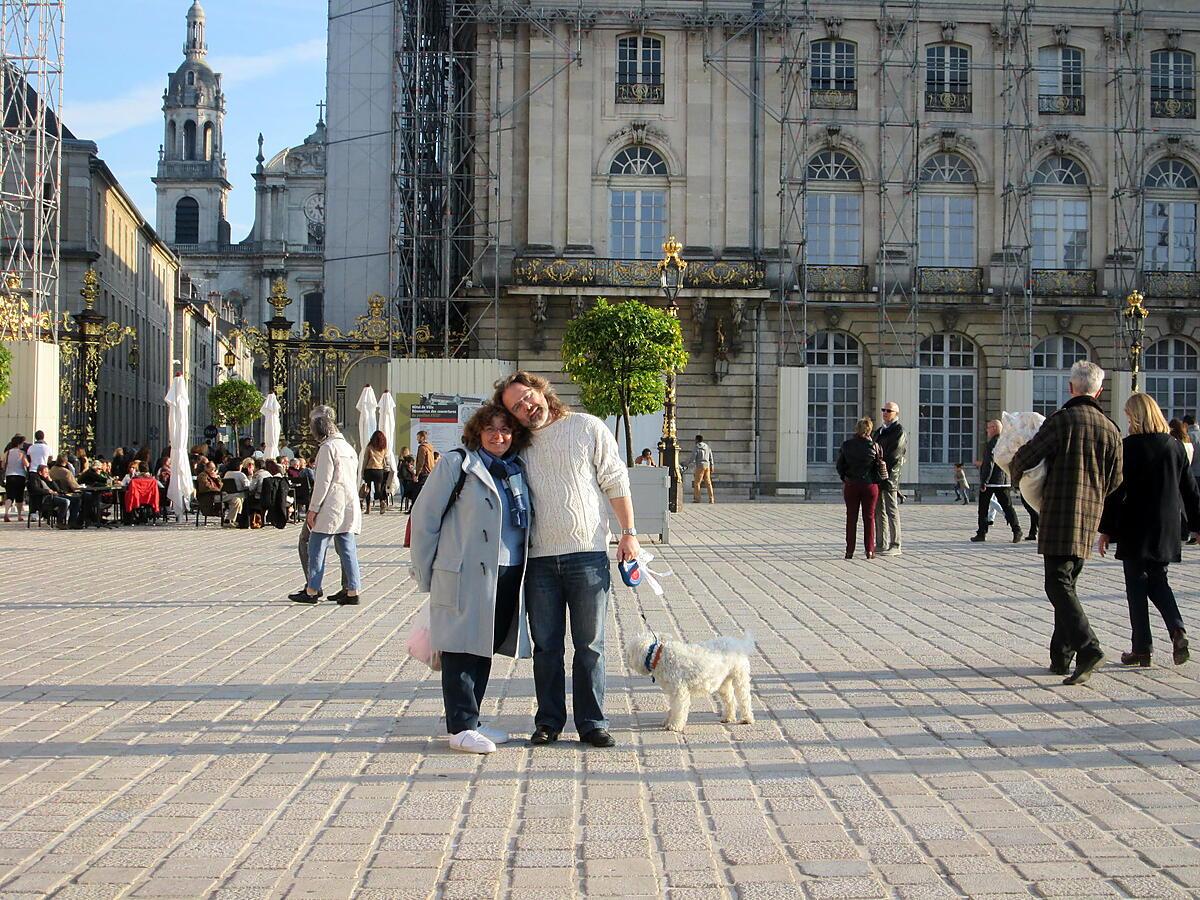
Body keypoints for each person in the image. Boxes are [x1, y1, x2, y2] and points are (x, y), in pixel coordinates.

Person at [496, 371, 637, 749]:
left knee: (590, 645)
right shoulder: (517, 448)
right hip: (539, 561)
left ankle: (592, 722)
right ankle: (549, 722)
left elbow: (615, 480)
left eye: (527, 397)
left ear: (541, 390)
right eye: (516, 407)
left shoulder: (586, 427)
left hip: (588, 555)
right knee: (547, 648)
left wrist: (629, 533)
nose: (527, 407)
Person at [410, 404, 534, 754]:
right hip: (464, 573)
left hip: (507, 571)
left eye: (506, 430)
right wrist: (425, 573)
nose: (499, 436)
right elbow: (424, 518)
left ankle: (473, 719)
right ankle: (460, 726)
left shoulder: (515, 470)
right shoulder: (457, 464)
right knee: (460, 649)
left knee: (482, 647)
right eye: (491, 429)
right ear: (477, 432)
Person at [1010, 360, 1123, 686]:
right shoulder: (1110, 428)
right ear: (1099, 391)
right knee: (1068, 582)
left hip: (1060, 511)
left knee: (1056, 583)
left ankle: (1089, 647)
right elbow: (1116, 480)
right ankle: (1061, 656)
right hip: (1090, 515)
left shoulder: (1063, 421)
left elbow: (1028, 456)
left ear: (1071, 388)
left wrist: (1016, 471)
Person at [1099, 393, 1200, 669]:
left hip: (1135, 525)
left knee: (1136, 585)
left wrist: (1106, 529)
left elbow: (1116, 492)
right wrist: (1197, 525)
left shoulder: (1128, 447)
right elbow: (1190, 490)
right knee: (1158, 579)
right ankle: (1177, 629)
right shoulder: (1175, 446)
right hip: (1167, 525)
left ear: (1135, 417)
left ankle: (1142, 648)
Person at [291, 406, 362, 606]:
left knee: (316, 546)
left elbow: (323, 482)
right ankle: (353, 590)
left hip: (331, 505)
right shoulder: (348, 447)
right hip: (349, 503)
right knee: (348, 548)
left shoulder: (327, 448)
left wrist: (313, 509)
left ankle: (312, 589)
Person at [971, 419, 1024, 543]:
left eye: (989, 427)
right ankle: (1017, 530)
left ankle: (981, 533)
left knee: (983, 508)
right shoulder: (1006, 442)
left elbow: (989, 463)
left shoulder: (992, 443)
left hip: (991, 481)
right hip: (1004, 480)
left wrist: (984, 480)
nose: (987, 430)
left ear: (994, 428)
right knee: (1008, 507)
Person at [836, 417, 881, 560]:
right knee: (869, 518)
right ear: (870, 430)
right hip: (869, 485)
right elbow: (878, 467)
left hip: (852, 485)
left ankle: (849, 551)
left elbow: (840, 466)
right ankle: (869, 550)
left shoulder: (847, 445)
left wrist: (846, 478)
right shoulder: (875, 446)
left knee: (851, 518)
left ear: (856, 429)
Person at [873, 402, 908, 556]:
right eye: (884, 410)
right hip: (877, 474)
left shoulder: (898, 431)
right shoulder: (880, 431)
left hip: (889, 476)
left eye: (889, 411)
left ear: (896, 413)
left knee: (891, 509)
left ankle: (896, 544)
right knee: (878, 510)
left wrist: (880, 463)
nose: (885, 413)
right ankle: (881, 543)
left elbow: (894, 454)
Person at [361, 430, 390, 515]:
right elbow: (386, 459)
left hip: (369, 470)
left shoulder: (369, 447)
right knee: (378, 489)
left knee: (368, 490)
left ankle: (368, 508)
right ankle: (382, 502)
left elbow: (365, 459)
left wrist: (362, 471)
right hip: (379, 470)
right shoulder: (383, 448)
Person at [221, 458, 255, 527]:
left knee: (236, 501)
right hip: (238, 494)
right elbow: (248, 486)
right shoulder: (240, 474)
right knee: (239, 500)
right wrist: (251, 475)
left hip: (227, 495)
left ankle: (232, 519)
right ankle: (232, 520)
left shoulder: (227, 473)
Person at [3, 434, 28, 522]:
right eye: (22, 443)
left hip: (9, 476)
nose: (23, 445)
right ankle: (19, 515)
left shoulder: (8, 452)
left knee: (9, 496)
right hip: (20, 476)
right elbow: (26, 464)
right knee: (19, 496)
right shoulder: (22, 453)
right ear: (19, 444)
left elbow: (3, 464)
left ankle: (6, 513)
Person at [691, 435, 715, 504]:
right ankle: (711, 499)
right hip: (707, 465)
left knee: (697, 483)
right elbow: (711, 456)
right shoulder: (707, 446)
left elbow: (693, 457)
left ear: (697, 440)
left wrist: (687, 463)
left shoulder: (697, 447)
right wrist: (712, 465)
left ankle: (697, 498)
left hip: (700, 466)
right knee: (708, 483)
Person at [414, 431, 436, 499]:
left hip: (424, 473)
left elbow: (421, 462)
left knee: (416, 493)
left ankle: (413, 508)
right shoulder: (430, 447)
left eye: (418, 437)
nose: (417, 439)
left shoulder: (422, 448)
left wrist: (417, 474)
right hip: (430, 472)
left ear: (422, 437)